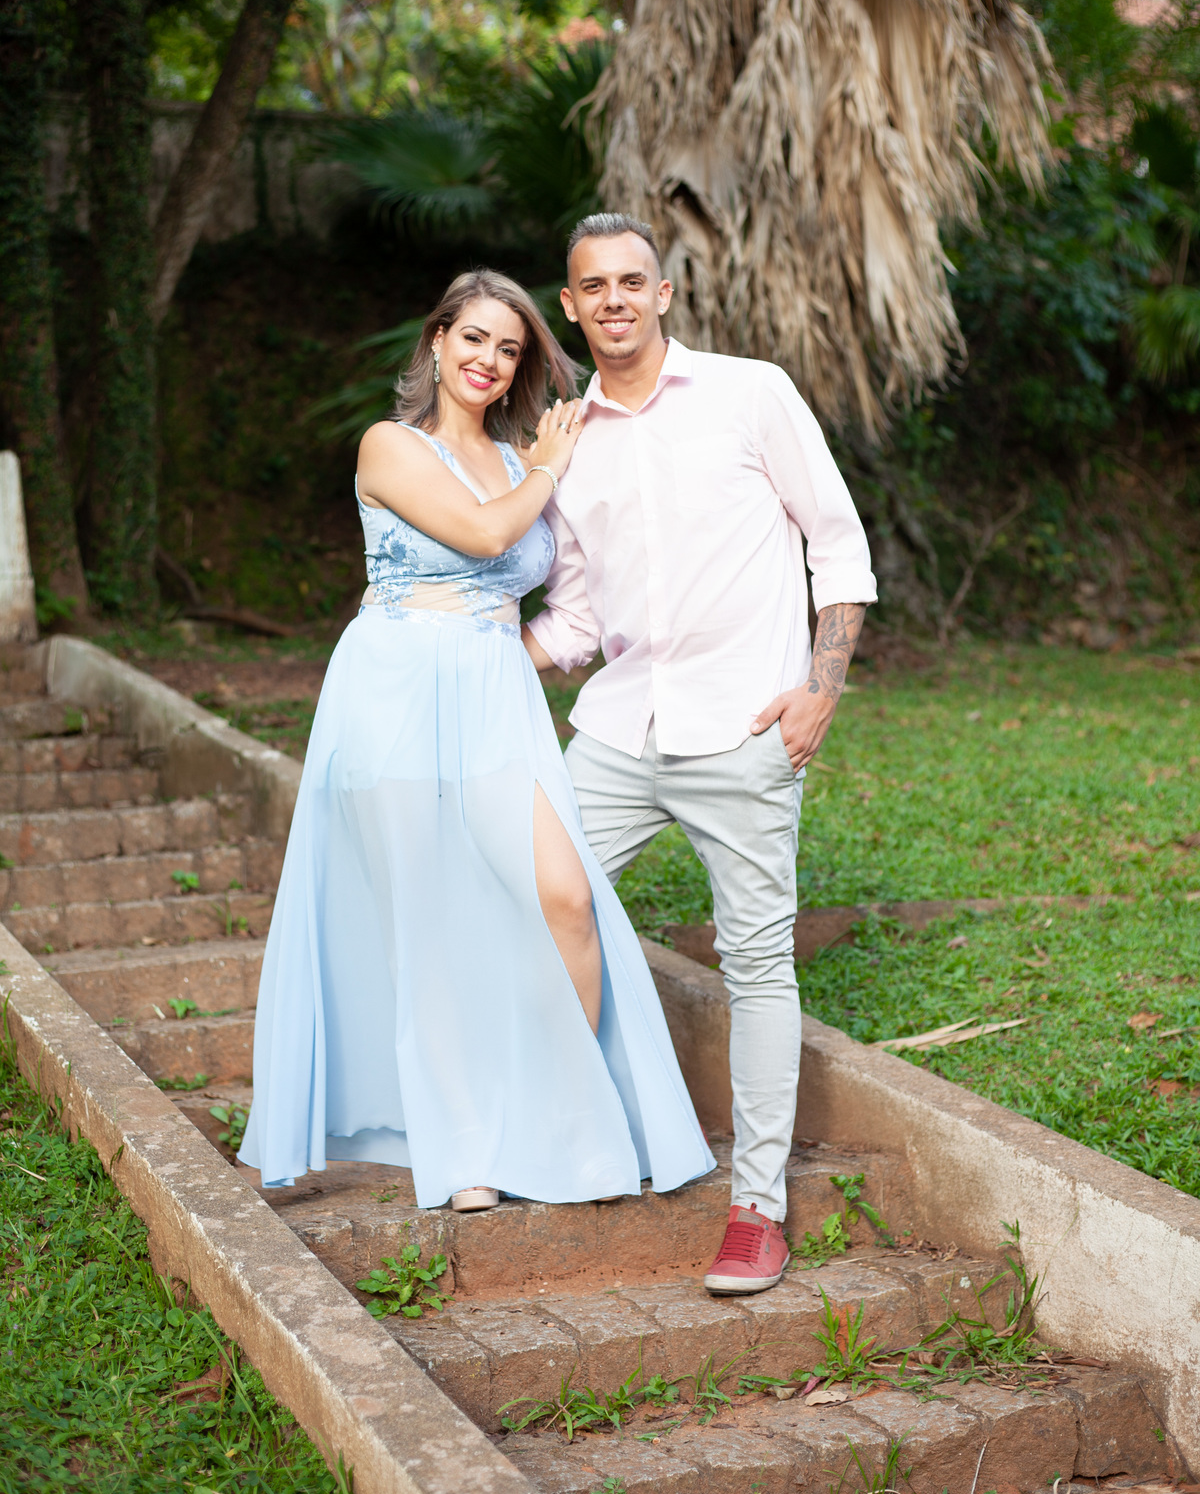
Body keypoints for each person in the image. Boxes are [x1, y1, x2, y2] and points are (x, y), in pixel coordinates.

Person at [240, 269, 714, 1212]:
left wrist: (514, 647)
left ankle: (557, 1122)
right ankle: (466, 1154)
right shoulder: (391, 446)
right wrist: (549, 467)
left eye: (509, 348)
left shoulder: (517, 456)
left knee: (565, 897)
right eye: (474, 339)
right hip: (393, 697)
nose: (489, 361)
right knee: (428, 925)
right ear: (437, 341)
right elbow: (487, 534)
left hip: (495, 697)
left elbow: (557, 588)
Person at [523, 215, 876, 1294]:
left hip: (744, 728)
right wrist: (464, 648)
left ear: (664, 292)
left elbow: (837, 540)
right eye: (594, 286)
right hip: (618, 732)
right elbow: (576, 617)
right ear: (571, 306)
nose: (615, 300)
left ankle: (757, 1210)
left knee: (757, 961)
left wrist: (822, 687)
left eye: (633, 281)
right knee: (531, 903)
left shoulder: (749, 392)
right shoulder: (564, 438)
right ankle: (556, 1130)